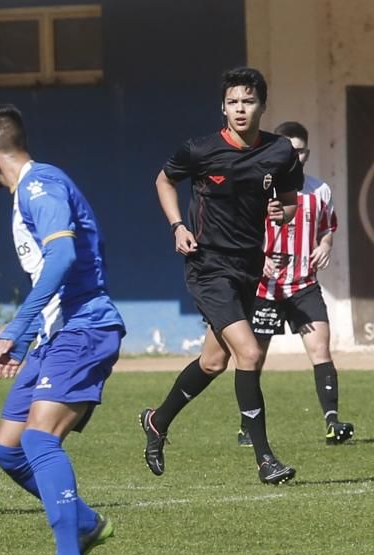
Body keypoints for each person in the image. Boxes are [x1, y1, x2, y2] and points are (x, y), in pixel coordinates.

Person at [0, 104, 125, 555]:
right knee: (8, 449)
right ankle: (84, 523)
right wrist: (32, 335)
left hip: (85, 327)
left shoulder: (40, 186)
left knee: (39, 438)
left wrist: (15, 326)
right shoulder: (26, 194)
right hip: (55, 334)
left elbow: (63, 257)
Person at [140, 67, 303, 484]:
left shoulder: (280, 151)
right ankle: (265, 459)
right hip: (208, 265)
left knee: (213, 361)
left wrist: (280, 214)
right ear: (223, 107)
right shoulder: (200, 150)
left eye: (248, 101)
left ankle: (157, 421)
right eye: (233, 102)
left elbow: (288, 205)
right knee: (249, 353)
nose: (240, 109)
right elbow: (163, 180)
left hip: (248, 265)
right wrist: (178, 226)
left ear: (262, 106)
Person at [236, 121, 354, 446]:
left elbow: (328, 226)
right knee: (252, 359)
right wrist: (259, 258)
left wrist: (326, 245)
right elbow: (238, 233)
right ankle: (247, 427)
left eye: (299, 150)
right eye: (288, 149)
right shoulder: (256, 189)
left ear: (307, 153)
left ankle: (333, 422)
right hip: (265, 289)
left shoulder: (320, 190)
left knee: (321, 350)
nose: (294, 156)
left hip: (303, 284)